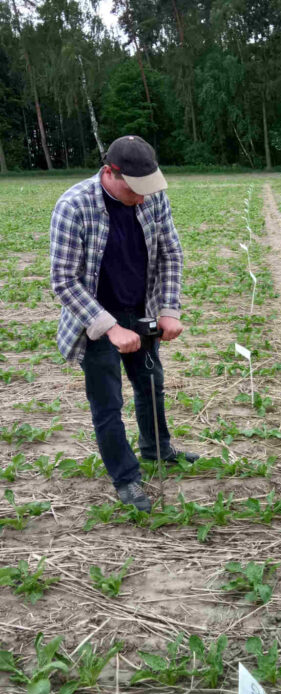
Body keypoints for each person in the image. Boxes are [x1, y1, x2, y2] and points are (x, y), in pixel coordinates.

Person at [50, 135, 199, 512]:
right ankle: (126, 478)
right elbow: (64, 281)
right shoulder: (73, 207)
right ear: (109, 173)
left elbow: (171, 253)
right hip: (94, 317)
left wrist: (169, 310)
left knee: (152, 384)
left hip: (141, 307)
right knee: (107, 402)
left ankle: (157, 449)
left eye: (150, 188)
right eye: (136, 190)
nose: (144, 198)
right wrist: (110, 327)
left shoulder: (152, 196)